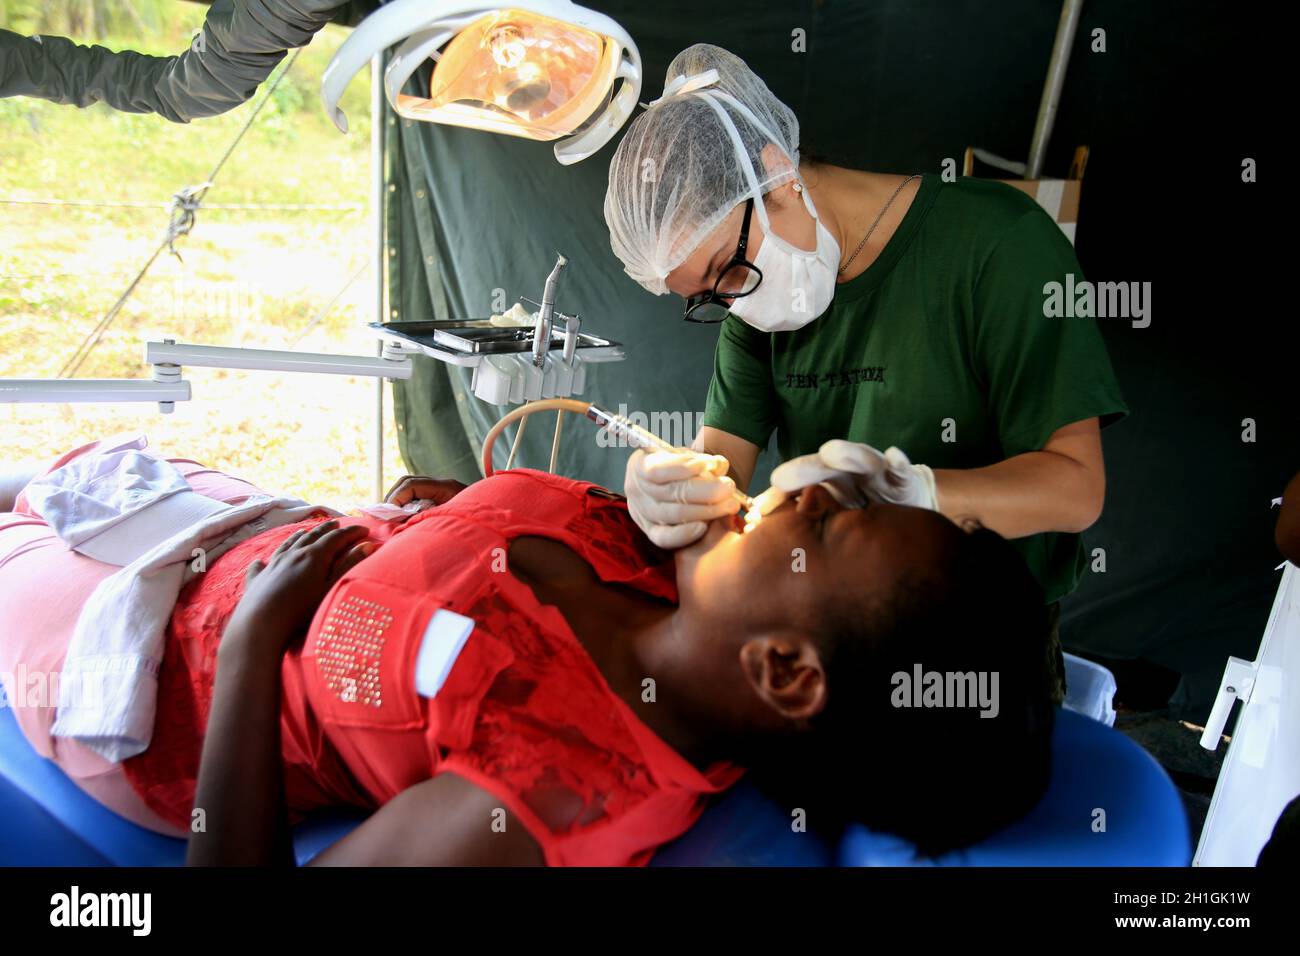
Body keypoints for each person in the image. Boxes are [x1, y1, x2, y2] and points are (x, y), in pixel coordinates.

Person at [0, 438, 1053, 865]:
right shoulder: (673, 569)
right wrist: (451, 510)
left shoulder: (547, 793)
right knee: (56, 469)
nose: (810, 485)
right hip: (261, 531)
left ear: (783, 669)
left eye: (825, 526)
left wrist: (251, 646)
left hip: (151, 669)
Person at [604, 44, 1129, 703]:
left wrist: (918, 495)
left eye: (728, 271)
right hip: (838, 636)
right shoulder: (759, 304)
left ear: (776, 175)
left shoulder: (999, 245)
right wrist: (673, 489)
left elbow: (1075, 489)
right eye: (710, 298)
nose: (736, 301)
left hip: (984, 646)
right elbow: (723, 470)